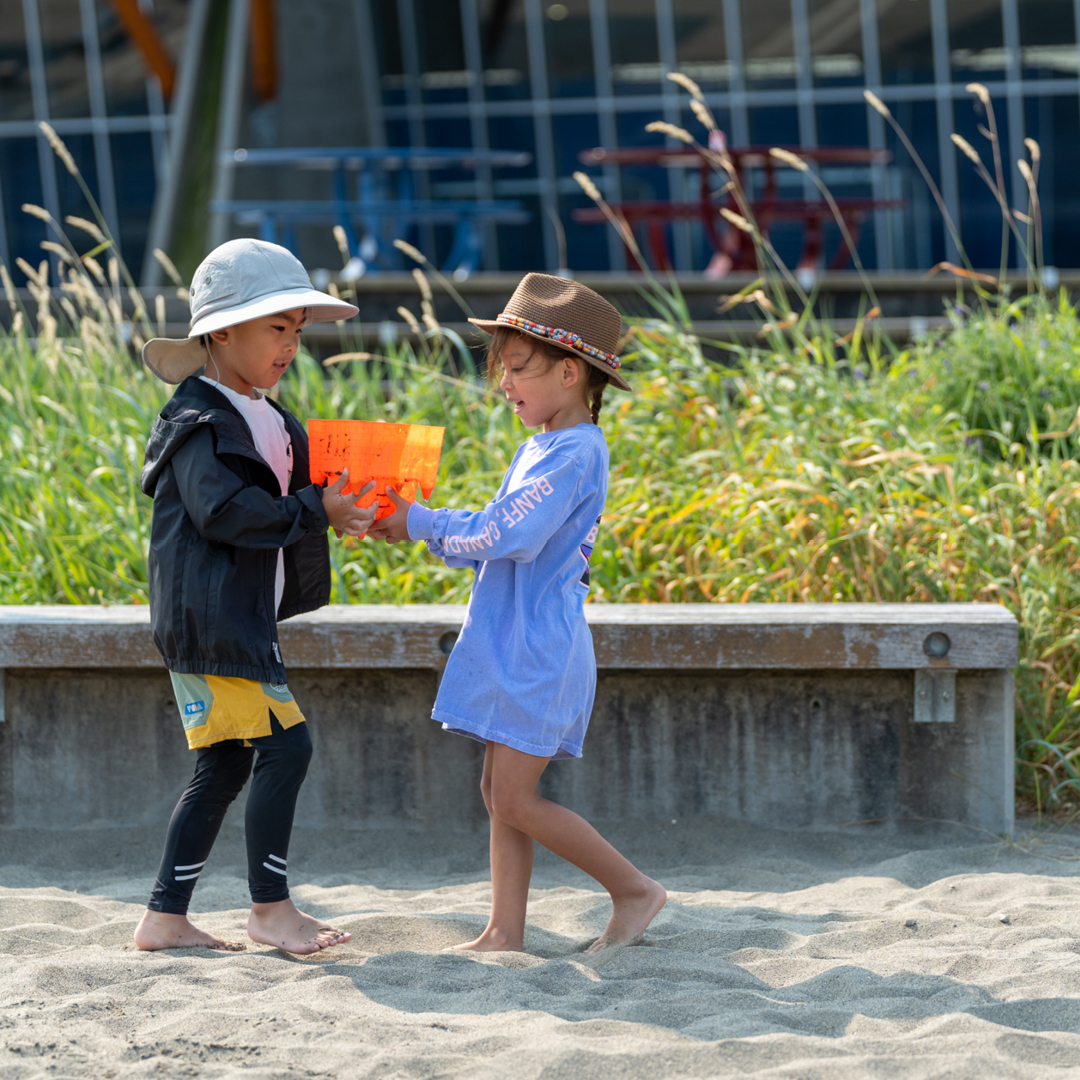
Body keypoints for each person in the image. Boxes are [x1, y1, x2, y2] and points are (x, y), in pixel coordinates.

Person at [370, 273, 667, 953]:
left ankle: (633, 890)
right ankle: (504, 930)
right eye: (503, 369)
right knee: (498, 789)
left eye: (518, 369)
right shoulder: (546, 446)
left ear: (570, 372)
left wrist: (419, 522)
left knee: (514, 797)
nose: (505, 384)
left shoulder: (574, 452)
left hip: (537, 650)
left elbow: (508, 534)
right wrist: (416, 525)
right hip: (516, 642)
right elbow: (497, 540)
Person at [133, 239, 377, 954]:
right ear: (220, 331)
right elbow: (225, 512)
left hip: (232, 619)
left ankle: (164, 917)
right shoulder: (198, 420)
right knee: (287, 747)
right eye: (277, 327)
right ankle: (270, 909)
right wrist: (314, 511)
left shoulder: (265, 414)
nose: (291, 344)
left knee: (227, 764)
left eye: (299, 330)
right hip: (212, 623)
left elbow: (304, 494)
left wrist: (353, 503)